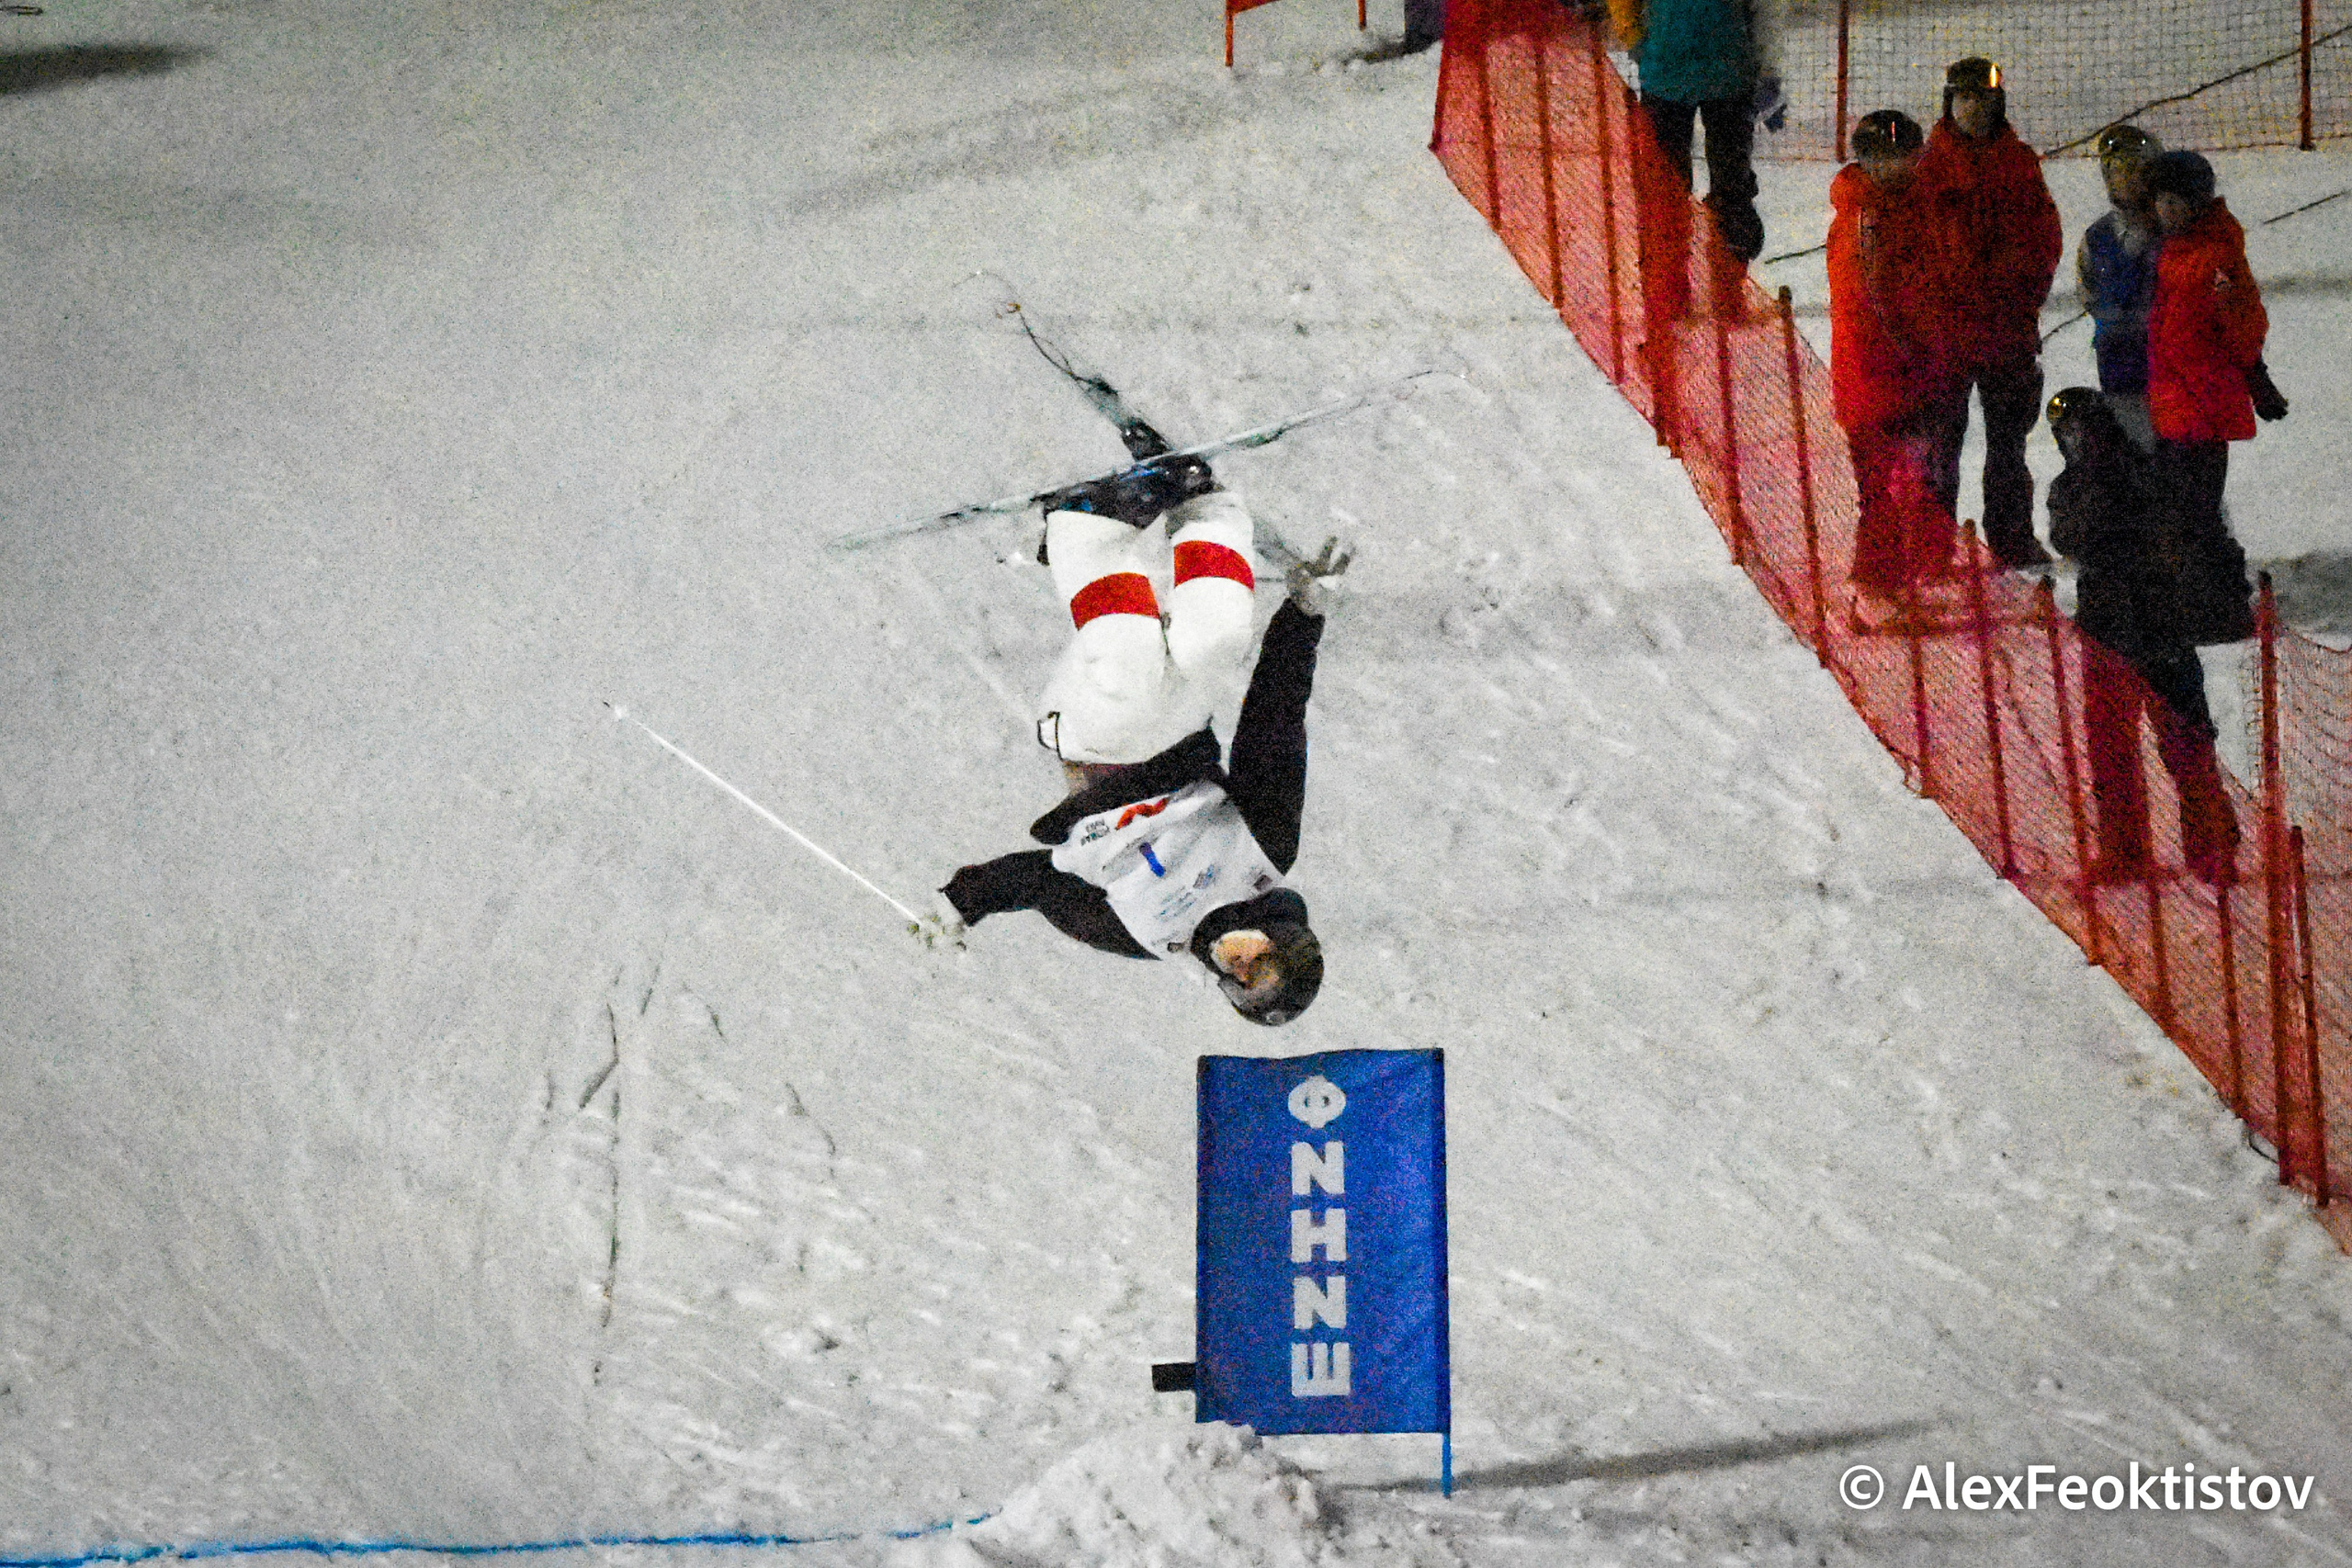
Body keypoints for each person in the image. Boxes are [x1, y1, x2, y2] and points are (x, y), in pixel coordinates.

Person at [931, 459, 1348, 1028]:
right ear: (1282, 937)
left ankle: (1084, 526)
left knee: (1128, 674)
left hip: (1094, 744)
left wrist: (964, 901)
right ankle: (1205, 509)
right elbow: (1271, 728)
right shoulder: (1263, 851)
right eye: (1259, 963)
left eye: (1238, 984)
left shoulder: (1146, 932)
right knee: (1213, 643)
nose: (1236, 964)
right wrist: (1303, 616)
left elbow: (1042, 885)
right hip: (1179, 736)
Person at [2044, 387, 2238, 881]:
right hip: (2107, 627)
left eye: (2078, 431)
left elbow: (2164, 535)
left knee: (2183, 737)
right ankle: (2126, 851)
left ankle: (2211, 843)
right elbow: (2069, 537)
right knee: (2112, 745)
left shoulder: (2142, 474)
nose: (2072, 442)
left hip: (2157, 623)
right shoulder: (2075, 485)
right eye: (2064, 434)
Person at [1914, 57, 2064, 569]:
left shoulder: (2018, 163)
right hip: (1947, 332)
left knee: (2008, 446)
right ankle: (1935, 544)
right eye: (1966, 98)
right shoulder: (1927, 167)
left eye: (1985, 100)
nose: (1976, 109)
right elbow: (1915, 248)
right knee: (1940, 448)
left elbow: (2045, 236)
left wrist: (2026, 296)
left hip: (2006, 328)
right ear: (1950, 102)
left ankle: (2011, 536)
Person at [1826, 108, 1965, 629]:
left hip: (1909, 370)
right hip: (1878, 377)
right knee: (1884, 487)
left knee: (1908, 482)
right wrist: (1912, 356)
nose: (1896, 167)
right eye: (1882, 158)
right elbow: (1873, 302)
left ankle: (1895, 579)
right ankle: (1875, 590)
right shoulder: (1870, 216)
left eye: (1904, 155)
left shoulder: (1909, 204)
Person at [2143, 147, 2281, 645]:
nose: (2166, 210)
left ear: (2198, 203)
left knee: (2194, 513)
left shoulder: (2214, 257)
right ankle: (2195, 605)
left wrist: (2255, 375)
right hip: (2174, 401)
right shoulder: (2174, 250)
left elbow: (2241, 322)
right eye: (2161, 200)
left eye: (2177, 201)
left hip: (2200, 406)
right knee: (2181, 510)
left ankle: (2217, 610)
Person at [1606, 0, 1781, 263]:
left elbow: (1764, 8)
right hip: (1696, 71)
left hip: (1707, 72)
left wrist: (1637, 41)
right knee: (1686, 193)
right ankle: (1702, 282)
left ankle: (1705, 283)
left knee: (1675, 194)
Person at [2075, 123, 2165, 451]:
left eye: (2131, 170)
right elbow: (2088, 291)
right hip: (2120, 367)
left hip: (2171, 371)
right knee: (2133, 456)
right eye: (2113, 171)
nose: (2122, 179)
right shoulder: (2098, 237)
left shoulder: (2170, 233)